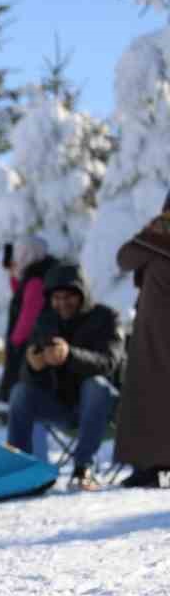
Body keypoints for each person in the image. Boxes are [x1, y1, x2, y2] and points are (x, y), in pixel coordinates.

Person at [5, 262, 124, 491]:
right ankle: (19, 470)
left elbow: (109, 363)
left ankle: (83, 468)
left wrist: (69, 355)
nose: (62, 303)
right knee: (20, 392)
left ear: (82, 295)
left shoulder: (107, 318)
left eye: (68, 297)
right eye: (56, 298)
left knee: (95, 385)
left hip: (105, 410)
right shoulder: (46, 321)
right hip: (63, 408)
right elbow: (31, 379)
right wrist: (33, 366)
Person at [115, 197, 170, 489]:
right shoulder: (158, 238)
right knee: (149, 398)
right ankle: (149, 466)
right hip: (153, 331)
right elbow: (124, 258)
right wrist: (151, 232)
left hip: (157, 333)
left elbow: (126, 258)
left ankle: (151, 465)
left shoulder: (158, 239)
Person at [0, 236, 58, 403]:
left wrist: (15, 341)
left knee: (26, 394)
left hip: (30, 346)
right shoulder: (36, 275)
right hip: (32, 343)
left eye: (19, 256)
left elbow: (29, 316)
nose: (15, 261)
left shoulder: (36, 280)